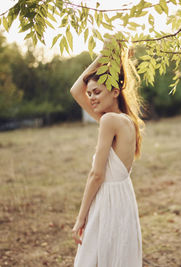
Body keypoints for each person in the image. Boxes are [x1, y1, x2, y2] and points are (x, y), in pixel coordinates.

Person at [69, 45, 145, 267]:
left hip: (109, 200)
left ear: (114, 92)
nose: (91, 97)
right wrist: (108, 57)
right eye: (90, 93)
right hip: (122, 198)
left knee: (92, 259)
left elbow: (97, 175)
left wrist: (81, 217)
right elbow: (76, 90)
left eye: (97, 92)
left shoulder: (109, 121)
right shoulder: (124, 119)